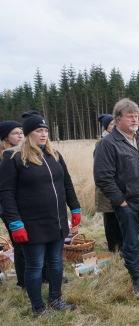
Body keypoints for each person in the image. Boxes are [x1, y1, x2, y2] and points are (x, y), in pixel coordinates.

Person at [0, 111, 80, 315]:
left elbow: (67, 183)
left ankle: (55, 299)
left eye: (45, 130)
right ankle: (38, 307)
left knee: (55, 262)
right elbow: (6, 193)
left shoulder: (55, 155)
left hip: (57, 221)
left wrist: (75, 207)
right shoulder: (13, 157)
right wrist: (15, 223)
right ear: (28, 134)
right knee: (35, 265)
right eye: (38, 130)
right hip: (31, 223)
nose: (43, 134)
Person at [94, 98, 139, 295]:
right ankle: (137, 280)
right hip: (128, 205)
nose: (135, 120)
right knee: (132, 243)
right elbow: (103, 177)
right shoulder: (108, 144)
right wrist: (121, 202)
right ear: (118, 119)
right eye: (130, 116)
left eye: (137, 116)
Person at [0, 120, 25, 288]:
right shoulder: (4, 158)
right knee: (20, 244)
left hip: (24, 206)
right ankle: (23, 280)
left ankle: (40, 274)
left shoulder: (20, 154)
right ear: (5, 138)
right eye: (16, 133)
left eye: (22, 132)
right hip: (9, 209)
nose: (21, 136)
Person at [94, 114, 123, 253]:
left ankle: (122, 247)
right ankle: (114, 249)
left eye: (116, 123)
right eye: (111, 124)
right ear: (106, 128)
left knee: (121, 219)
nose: (115, 126)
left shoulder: (119, 140)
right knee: (111, 220)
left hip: (121, 188)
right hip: (107, 190)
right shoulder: (101, 143)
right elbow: (102, 169)